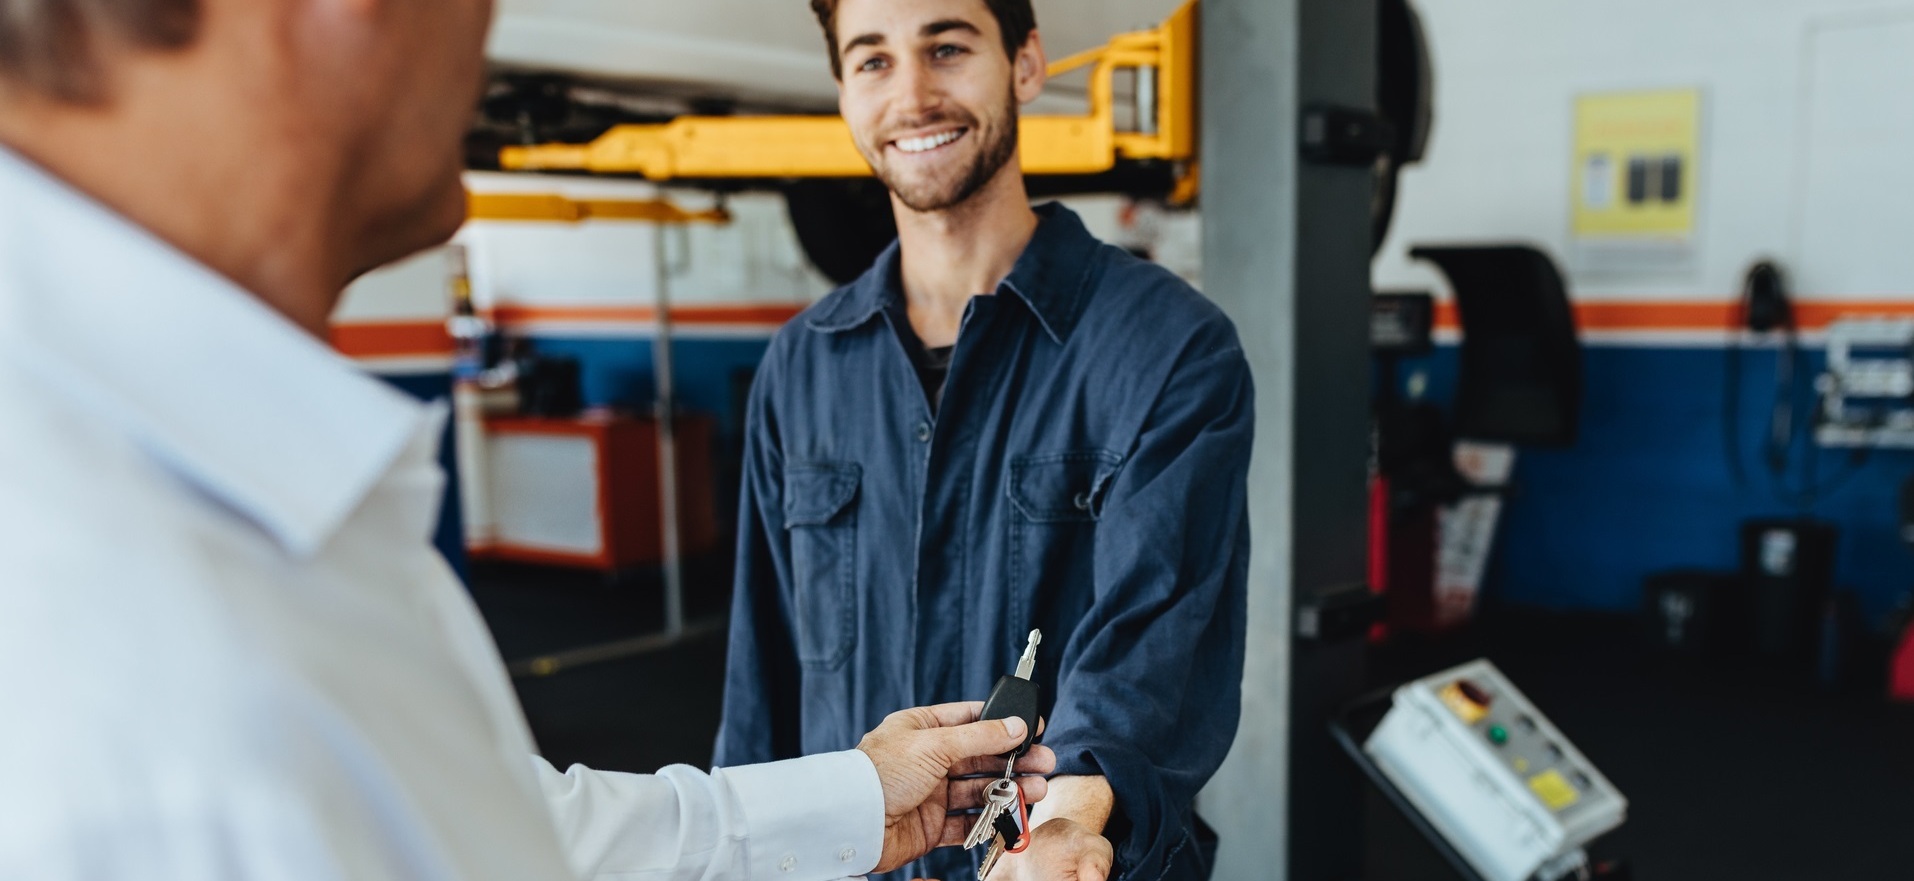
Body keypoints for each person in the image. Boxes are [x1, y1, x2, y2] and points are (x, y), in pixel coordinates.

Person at [0, 1, 1056, 878]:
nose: (482, 27)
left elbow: (512, 835)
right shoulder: (111, 647)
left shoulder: (202, 505)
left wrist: (858, 794)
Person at [713, 0, 1254, 879]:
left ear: (1027, 65)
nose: (913, 94)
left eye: (948, 47)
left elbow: (1156, 637)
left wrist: (1070, 822)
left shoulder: (1168, 346)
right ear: (845, 92)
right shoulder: (802, 364)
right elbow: (761, 679)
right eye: (873, 60)